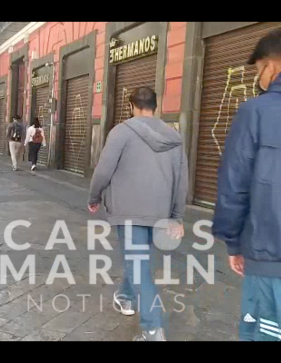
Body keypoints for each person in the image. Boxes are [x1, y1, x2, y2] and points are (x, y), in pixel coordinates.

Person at [87, 87, 188, 342]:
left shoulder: (122, 131)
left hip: (128, 210)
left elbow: (103, 169)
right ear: (156, 105)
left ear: (132, 105)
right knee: (139, 262)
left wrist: (94, 196)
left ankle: (153, 329)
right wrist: (177, 216)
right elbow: (181, 180)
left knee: (138, 266)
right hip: (159, 212)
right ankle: (125, 297)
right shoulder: (173, 136)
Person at [212, 28, 281, 342]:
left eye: (258, 70)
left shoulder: (255, 112)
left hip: (269, 255)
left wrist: (233, 242)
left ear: (271, 66)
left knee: (264, 332)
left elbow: (235, 182)